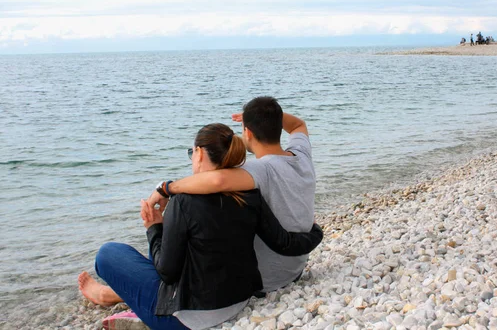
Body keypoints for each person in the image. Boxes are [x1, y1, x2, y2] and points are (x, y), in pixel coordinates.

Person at [78, 123, 323, 330]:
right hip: (238, 302)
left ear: (199, 153)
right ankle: (113, 295)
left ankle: (111, 297)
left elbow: (167, 272)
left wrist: (154, 228)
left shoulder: (183, 202)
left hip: (187, 320)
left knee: (108, 254)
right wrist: (316, 232)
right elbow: (284, 242)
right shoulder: (250, 194)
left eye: (191, 153)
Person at [146, 96, 315, 292]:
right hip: (296, 266)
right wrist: (263, 116)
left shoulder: (260, 169)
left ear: (247, 132)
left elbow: (218, 180)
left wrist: (166, 187)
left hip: (267, 278)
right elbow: (298, 125)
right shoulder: (301, 154)